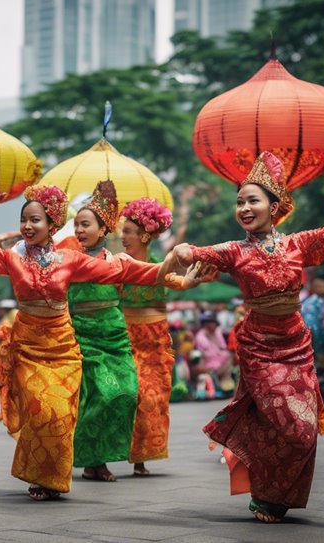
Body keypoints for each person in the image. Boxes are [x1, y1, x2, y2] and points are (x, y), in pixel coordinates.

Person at [172, 152, 324, 523]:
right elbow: (185, 252)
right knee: (286, 422)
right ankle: (265, 495)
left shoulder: (297, 244)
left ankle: (274, 495)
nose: (243, 207)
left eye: (252, 200)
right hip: (258, 348)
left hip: (296, 346)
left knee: (303, 431)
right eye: (239, 201)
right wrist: (180, 260)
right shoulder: (234, 251)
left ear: (275, 208)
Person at [0, 185, 172, 501]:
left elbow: (119, 269)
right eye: (24, 221)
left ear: (52, 225)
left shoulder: (69, 259)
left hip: (62, 347)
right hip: (28, 345)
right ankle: (39, 473)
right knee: (40, 410)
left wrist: (169, 269)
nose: (28, 227)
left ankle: (51, 479)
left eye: (35, 220)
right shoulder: (12, 257)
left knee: (59, 413)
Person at [58, 182, 205, 483]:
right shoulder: (67, 258)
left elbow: (152, 274)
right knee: (97, 396)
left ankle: (112, 457)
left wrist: (179, 269)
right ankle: (91, 460)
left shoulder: (118, 262)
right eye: (77, 225)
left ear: (102, 230)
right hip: (82, 336)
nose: (80, 230)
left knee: (128, 395)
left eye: (86, 224)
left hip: (119, 338)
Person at [118, 196, 209, 476]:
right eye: (122, 231)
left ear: (145, 235)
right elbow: (156, 274)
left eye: (128, 232)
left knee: (152, 397)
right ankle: (111, 451)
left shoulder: (160, 264)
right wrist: (172, 263)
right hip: (126, 337)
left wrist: (192, 279)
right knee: (128, 395)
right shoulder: (119, 263)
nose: (122, 237)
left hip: (155, 339)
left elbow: (175, 281)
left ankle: (140, 457)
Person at [194, 311, 234, 392]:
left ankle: (225, 383)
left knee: (230, 356)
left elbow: (223, 348)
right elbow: (207, 354)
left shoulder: (217, 333)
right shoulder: (201, 336)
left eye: (211, 322)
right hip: (209, 367)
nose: (209, 325)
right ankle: (222, 383)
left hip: (221, 363)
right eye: (207, 322)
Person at [301, 277, 324, 358]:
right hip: (316, 339)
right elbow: (311, 324)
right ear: (316, 287)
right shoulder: (313, 302)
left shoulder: (321, 300)